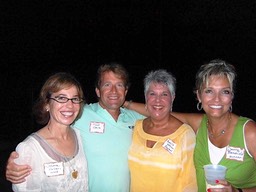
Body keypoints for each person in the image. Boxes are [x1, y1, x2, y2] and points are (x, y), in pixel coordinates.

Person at [6, 63, 145, 192]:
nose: (113, 90)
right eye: (107, 84)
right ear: (97, 91)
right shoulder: (82, 113)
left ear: (126, 91)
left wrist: (126, 104)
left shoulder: (134, 118)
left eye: (119, 85)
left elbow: (163, 114)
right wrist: (16, 163)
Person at [125, 59, 256, 192]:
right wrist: (123, 103)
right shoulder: (199, 124)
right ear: (199, 96)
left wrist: (236, 191)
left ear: (232, 96)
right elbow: (160, 111)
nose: (217, 99)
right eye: (209, 91)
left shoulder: (250, 132)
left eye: (225, 91)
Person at [11, 72, 88, 191]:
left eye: (75, 99)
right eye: (61, 98)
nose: (70, 105)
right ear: (47, 104)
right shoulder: (30, 149)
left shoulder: (81, 136)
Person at [128, 69, 197, 191]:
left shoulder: (185, 135)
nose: (158, 100)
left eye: (164, 94)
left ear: (173, 98)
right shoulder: (136, 128)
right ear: (145, 97)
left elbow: (190, 184)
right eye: (152, 94)